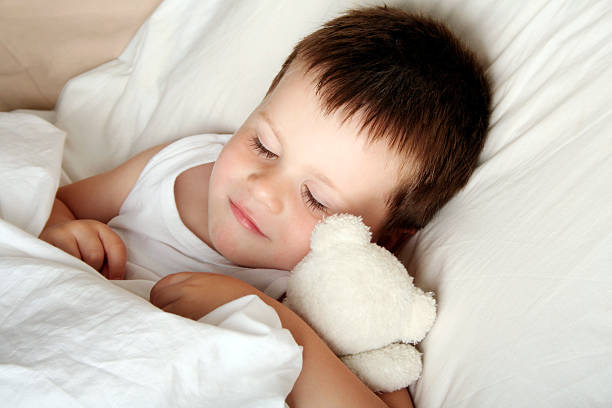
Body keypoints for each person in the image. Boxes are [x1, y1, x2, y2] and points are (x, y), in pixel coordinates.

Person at [40, 6, 491, 407]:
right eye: (264, 146)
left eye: (316, 198)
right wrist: (65, 233)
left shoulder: (328, 293)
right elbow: (56, 206)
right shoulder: (181, 164)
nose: (261, 189)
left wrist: (273, 318)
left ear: (382, 240)